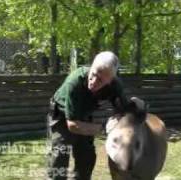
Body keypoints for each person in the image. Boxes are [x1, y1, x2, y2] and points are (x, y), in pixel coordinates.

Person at [46, 51, 129, 180]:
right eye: (93, 74)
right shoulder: (74, 83)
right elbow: (73, 126)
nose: (93, 82)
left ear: (110, 80)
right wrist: (105, 127)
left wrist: (134, 107)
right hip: (62, 116)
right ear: (91, 67)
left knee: (86, 158)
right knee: (59, 159)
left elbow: (124, 108)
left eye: (100, 80)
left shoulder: (115, 86)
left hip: (84, 115)